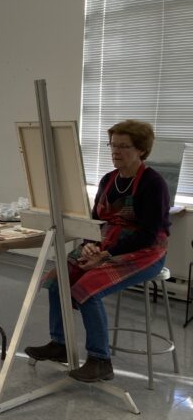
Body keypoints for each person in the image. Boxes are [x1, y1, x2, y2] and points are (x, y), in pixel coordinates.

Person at [25, 120, 170, 382]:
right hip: (106, 245)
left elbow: (147, 235)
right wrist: (90, 243)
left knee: (87, 288)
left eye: (123, 146)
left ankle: (100, 360)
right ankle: (60, 344)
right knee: (58, 278)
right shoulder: (108, 179)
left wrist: (106, 253)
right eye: (113, 146)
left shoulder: (153, 184)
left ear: (141, 150)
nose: (116, 152)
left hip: (145, 252)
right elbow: (96, 221)